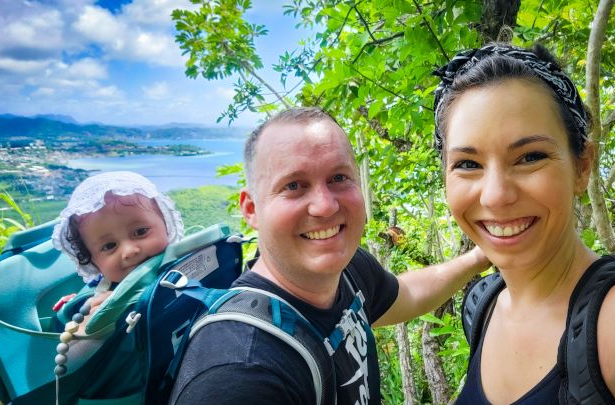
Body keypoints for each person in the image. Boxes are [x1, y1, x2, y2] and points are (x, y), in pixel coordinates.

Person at [432, 43, 615, 404]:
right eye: (468, 164)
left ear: (582, 167)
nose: (496, 196)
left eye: (530, 157)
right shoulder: (483, 306)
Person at [169, 107, 491, 404]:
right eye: (294, 185)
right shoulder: (239, 375)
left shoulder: (349, 270)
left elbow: (406, 294)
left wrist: (479, 257)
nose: (324, 206)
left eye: (338, 178)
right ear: (251, 209)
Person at [52, 171, 184, 331]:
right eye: (109, 246)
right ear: (93, 262)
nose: (129, 251)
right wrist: (99, 325)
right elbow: (74, 347)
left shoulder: (192, 259)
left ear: (166, 224)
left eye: (141, 231)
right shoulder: (99, 301)